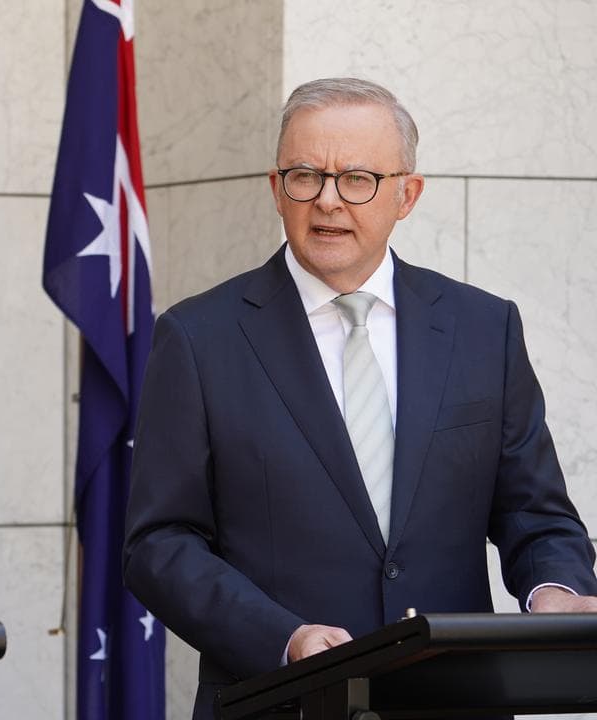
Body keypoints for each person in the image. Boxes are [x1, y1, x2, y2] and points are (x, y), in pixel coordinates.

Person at [123, 77, 597, 719]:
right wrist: (282, 638)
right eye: (304, 176)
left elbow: (534, 512)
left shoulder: (484, 328)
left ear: (408, 194)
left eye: (357, 179)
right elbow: (159, 543)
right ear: (275, 187)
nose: (328, 201)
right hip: (282, 701)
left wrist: (557, 590)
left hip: (455, 701)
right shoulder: (199, 338)